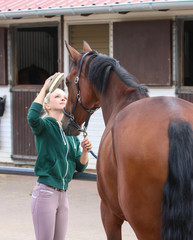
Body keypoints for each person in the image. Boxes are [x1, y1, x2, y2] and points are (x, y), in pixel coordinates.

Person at [27, 73, 92, 240]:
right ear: (47, 105)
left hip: (63, 195)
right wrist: (44, 89)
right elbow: (32, 117)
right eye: (57, 96)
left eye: (65, 96)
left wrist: (85, 151)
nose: (63, 98)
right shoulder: (45, 126)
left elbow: (80, 165)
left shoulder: (71, 132)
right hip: (46, 192)